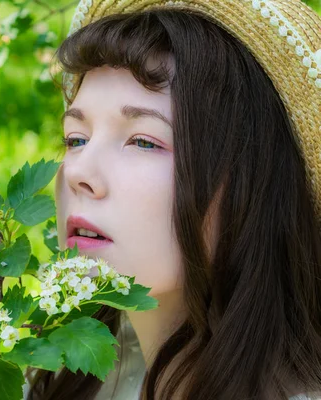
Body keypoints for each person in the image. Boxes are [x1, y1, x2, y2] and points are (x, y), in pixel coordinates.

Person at [24, 0, 321, 399]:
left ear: (255, 182)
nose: (78, 172)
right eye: (76, 139)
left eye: (143, 141)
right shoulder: (65, 378)